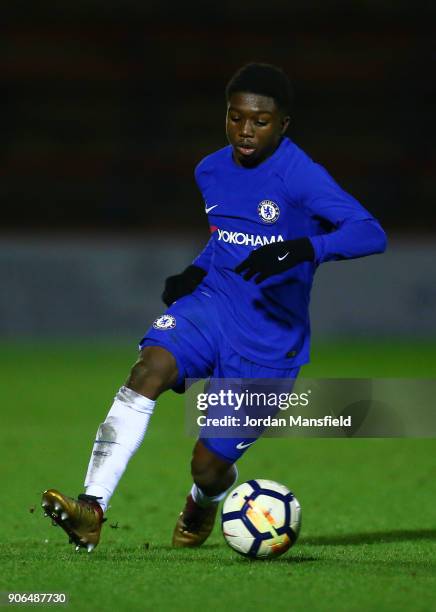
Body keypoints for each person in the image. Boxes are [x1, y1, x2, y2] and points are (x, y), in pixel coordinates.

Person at [41, 63, 387, 552]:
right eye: (236, 117)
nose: (245, 131)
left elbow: (371, 232)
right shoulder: (211, 169)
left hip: (269, 341)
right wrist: (196, 271)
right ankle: (91, 508)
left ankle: (204, 501)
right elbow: (225, 239)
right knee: (148, 370)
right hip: (213, 306)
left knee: (208, 464)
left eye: (260, 121)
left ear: (283, 124)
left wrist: (306, 247)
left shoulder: (302, 177)